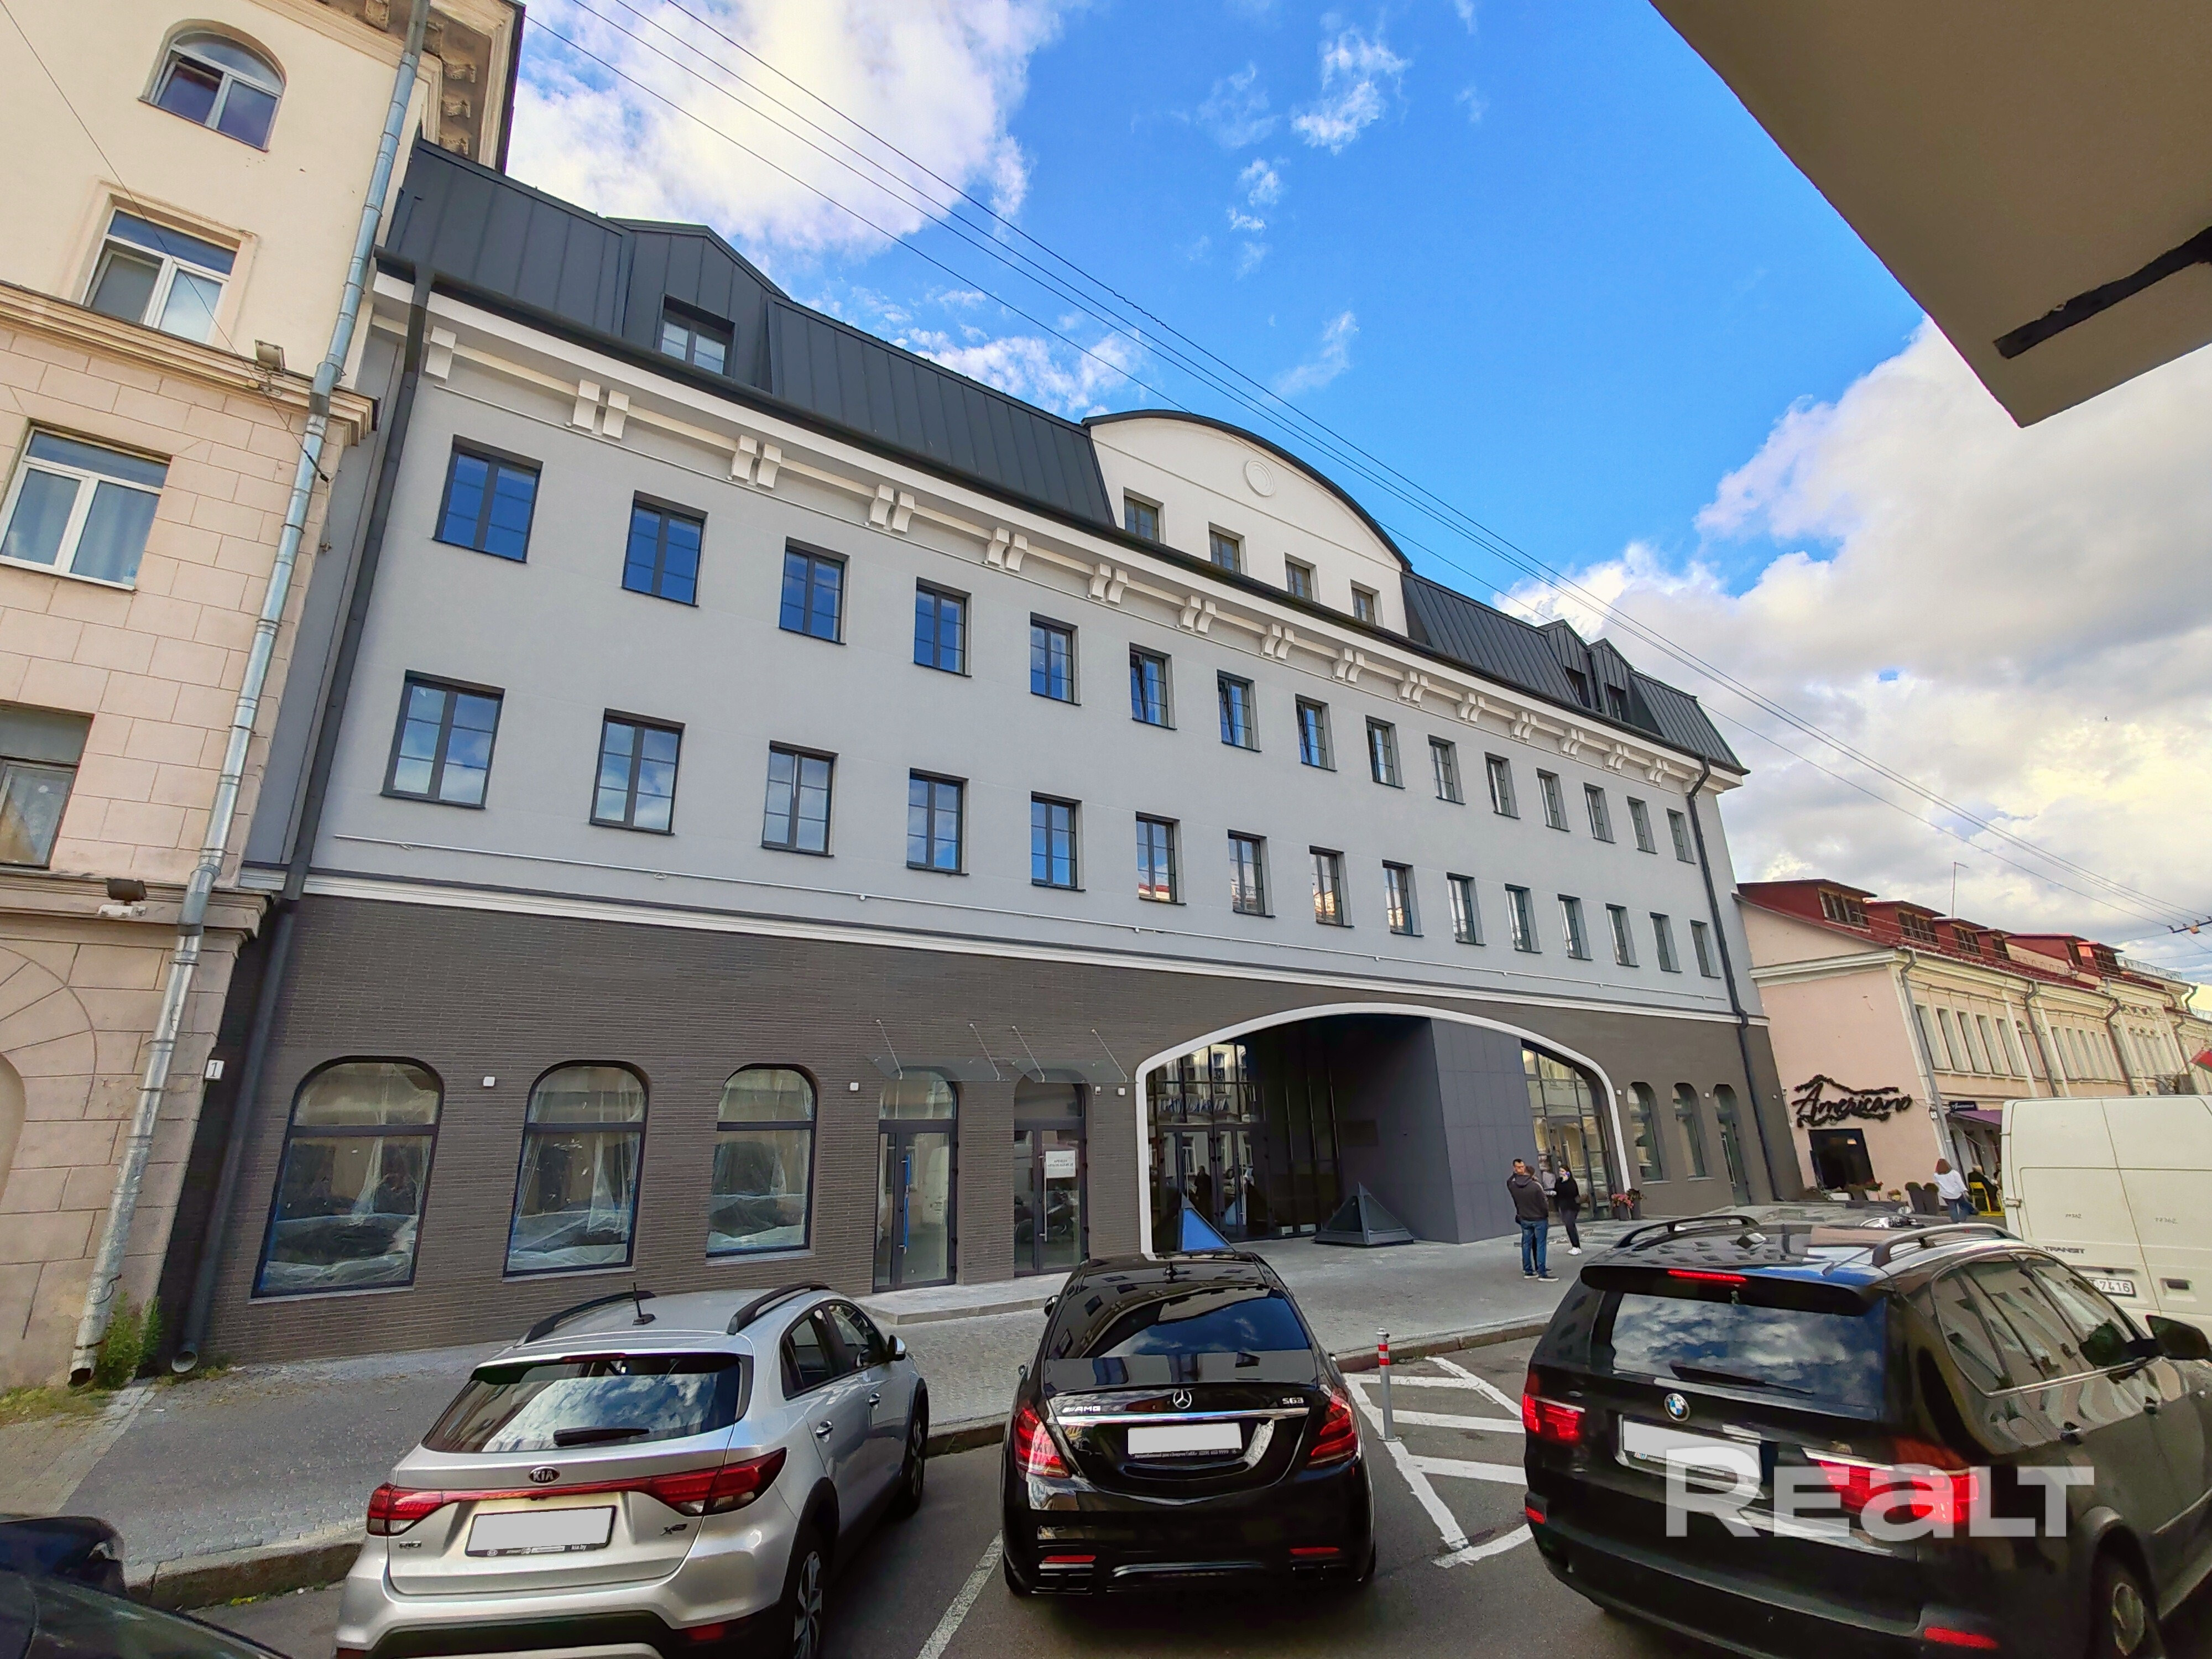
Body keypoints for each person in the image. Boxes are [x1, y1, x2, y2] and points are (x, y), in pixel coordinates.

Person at [1509, 1158, 1553, 1280]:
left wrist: (1515, 1174)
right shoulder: (1535, 1186)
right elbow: (1544, 1204)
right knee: (1540, 1245)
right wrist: (1545, 1215)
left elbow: (1509, 1182)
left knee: (1526, 1244)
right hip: (1539, 1218)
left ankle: (1528, 1270)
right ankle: (1542, 1272)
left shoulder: (1513, 1186)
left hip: (1525, 1218)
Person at [1554, 1165, 1583, 1254]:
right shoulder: (1559, 1181)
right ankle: (1576, 1246)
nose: (1561, 1173)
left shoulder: (1571, 1182)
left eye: (1563, 1171)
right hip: (1563, 1206)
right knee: (1569, 1226)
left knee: (1570, 1225)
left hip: (1572, 1207)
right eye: (1560, 1171)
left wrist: (1567, 1180)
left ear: (1568, 1172)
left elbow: (1573, 1193)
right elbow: (1557, 1192)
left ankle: (1576, 1246)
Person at [1933, 1158, 1971, 1223]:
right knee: (1964, 1207)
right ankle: (1962, 1219)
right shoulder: (1954, 1173)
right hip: (1957, 1193)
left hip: (1946, 1194)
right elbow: (1960, 1183)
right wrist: (1965, 1191)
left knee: (1952, 1208)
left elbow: (1936, 1182)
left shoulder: (1936, 1175)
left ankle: (1956, 1221)